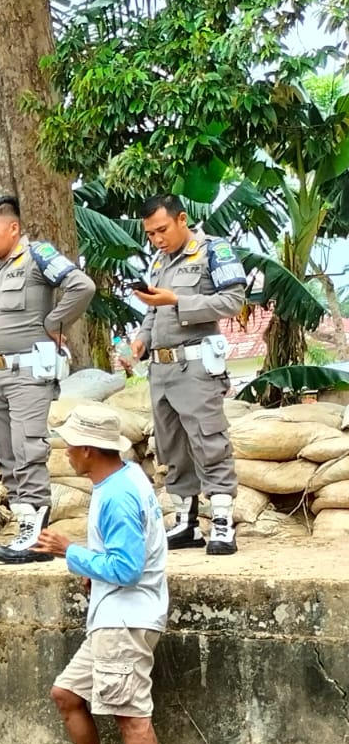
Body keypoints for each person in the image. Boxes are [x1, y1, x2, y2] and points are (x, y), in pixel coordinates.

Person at [34, 404, 169, 744]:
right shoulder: (126, 479)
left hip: (124, 621)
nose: (67, 453)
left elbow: (127, 568)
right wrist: (94, 572)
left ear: (89, 450)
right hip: (114, 616)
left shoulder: (117, 495)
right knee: (67, 694)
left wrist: (70, 551)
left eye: (71, 445)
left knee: (132, 718)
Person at [0, 195, 96, 564]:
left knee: (28, 448)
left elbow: (82, 286)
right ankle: (24, 524)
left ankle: (37, 534)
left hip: (27, 371)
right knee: (5, 451)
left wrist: (53, 324)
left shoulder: (38, 255)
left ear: (14, 228)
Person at [131, 194, 246, 555]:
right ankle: (186, 521)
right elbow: (152, 311)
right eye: (150, 234)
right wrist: (142, 338)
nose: (157, 239)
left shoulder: (214, 251)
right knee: (172, 446)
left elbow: (233, 301)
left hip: (196, 366)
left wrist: (178, 301)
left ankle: (223, 521)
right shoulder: (159, 262)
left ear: (182, 219)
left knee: (208, 442)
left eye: (162, 230)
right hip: (161, 368)